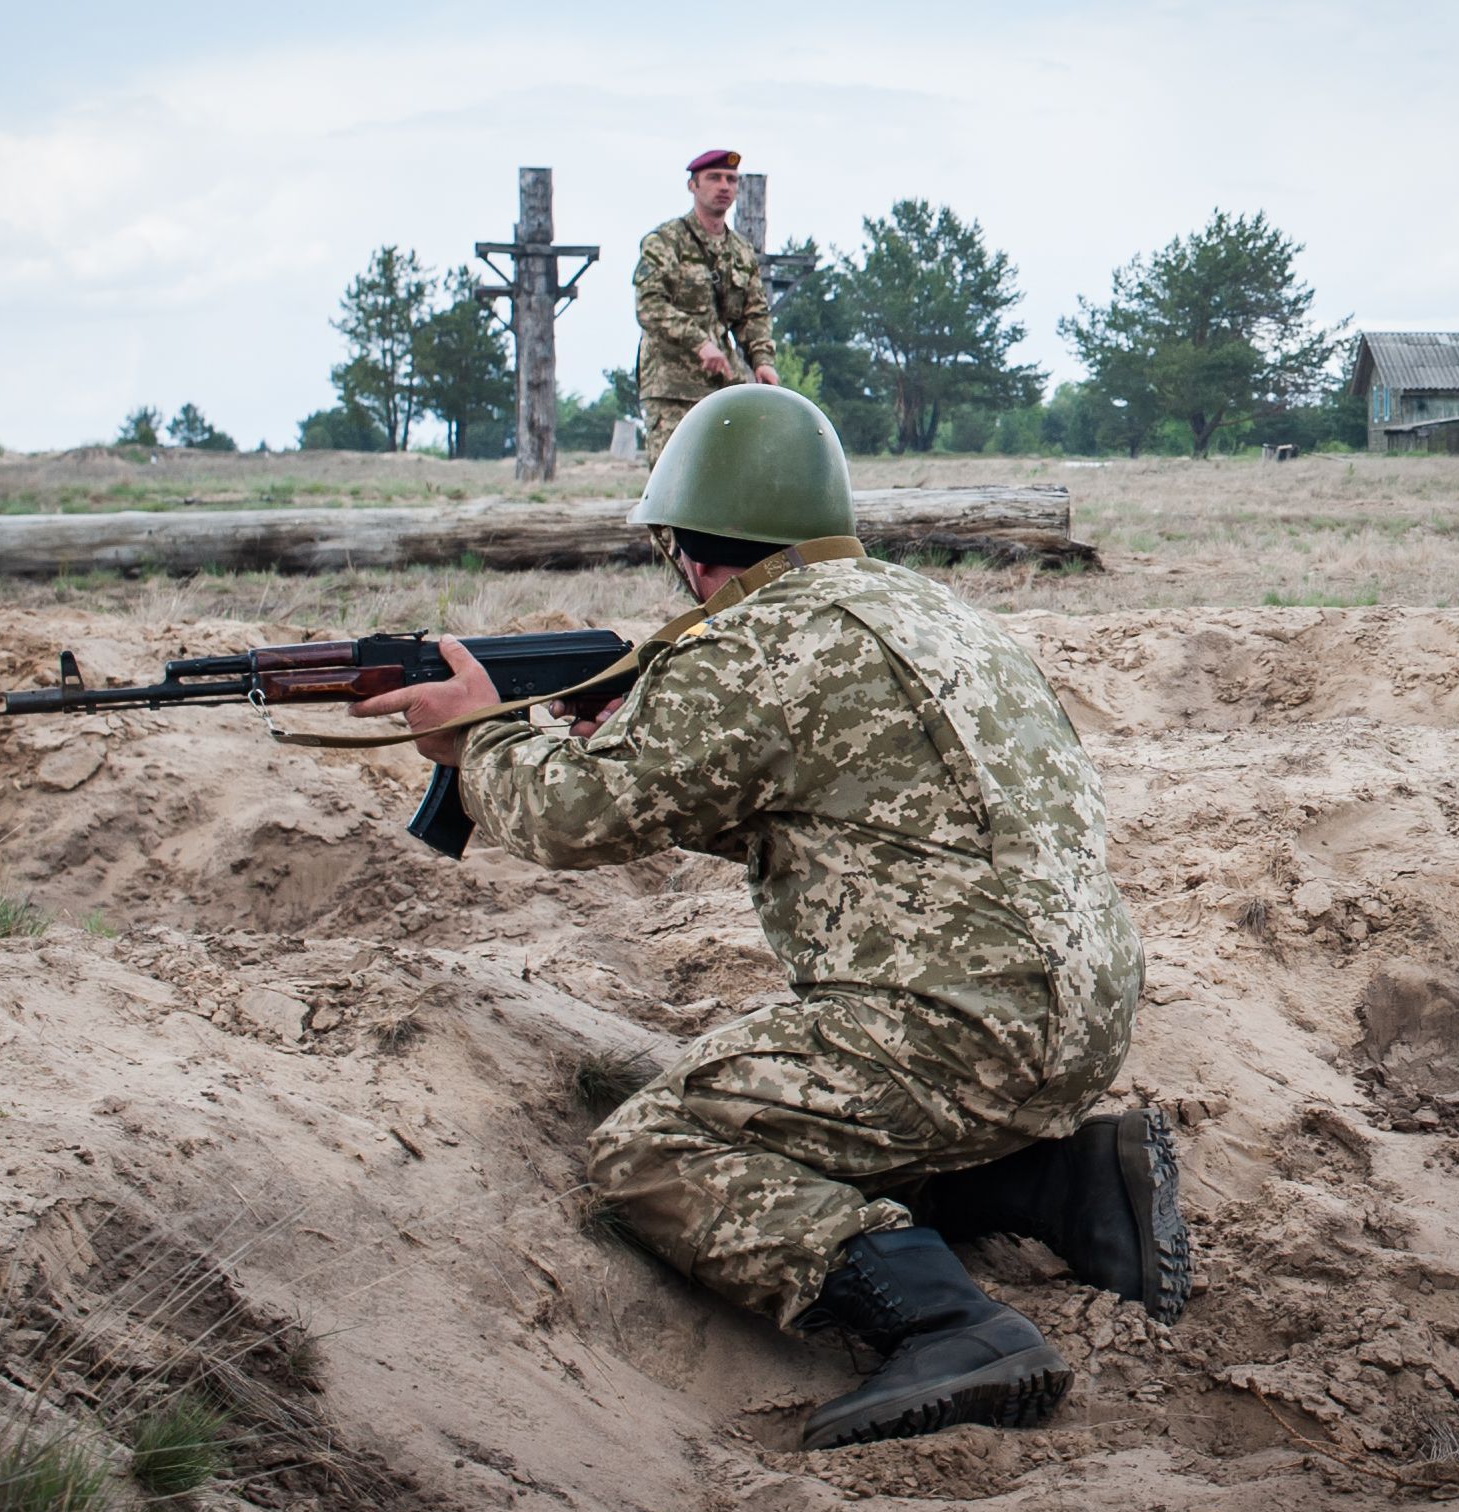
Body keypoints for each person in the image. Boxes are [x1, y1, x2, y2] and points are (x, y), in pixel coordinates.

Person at [351, 386, 1189, 1450]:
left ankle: (947, 1323)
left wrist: (479, 742)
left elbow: (571, 818)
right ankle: (1062, 1179)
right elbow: (828, 805)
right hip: (1084, 1017)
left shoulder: (749, 650)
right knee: (819, 1112)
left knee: (660, 1144)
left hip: (948, 1032)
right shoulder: (936, 613)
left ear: (691, 553)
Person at [633, 148, 780, 466]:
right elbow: (649, 306)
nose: (724, 186)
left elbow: (753, 314)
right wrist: (699, 343)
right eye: (714, 178)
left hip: (725, 387)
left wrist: (763, 360)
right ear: (693, 186)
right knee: (672, 485)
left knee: (733, 477)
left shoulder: (740, 251)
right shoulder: (665, 242)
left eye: (731, 180)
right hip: (672, 385)